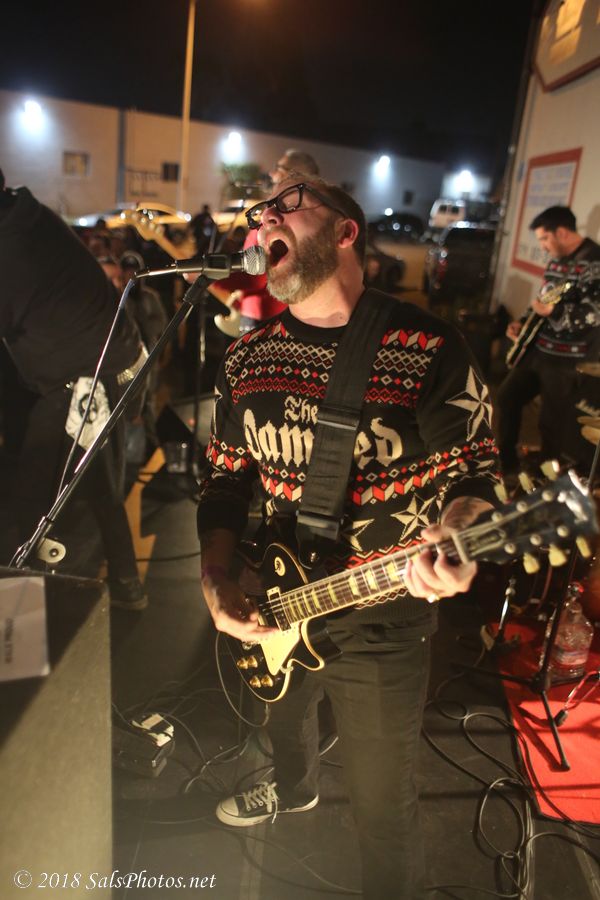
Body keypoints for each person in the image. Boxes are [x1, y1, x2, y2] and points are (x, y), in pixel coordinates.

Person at [196, 175, 501, 899]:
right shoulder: (247, 358)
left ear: (344, 231)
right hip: (277, 594)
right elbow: (225, 480)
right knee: (286, 716)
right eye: (259, 215)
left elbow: (476, 472)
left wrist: (458, 536)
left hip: (384, 610)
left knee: (383, 809)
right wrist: (216, 577)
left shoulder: (426, 346)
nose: (265, 220)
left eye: (287, 205)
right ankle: (293, 785)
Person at [0, 170, 148, 610]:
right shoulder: (27, 217)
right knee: (97, 485)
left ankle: (26, 614)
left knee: (34, 495)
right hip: (106, 364)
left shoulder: (11, 244)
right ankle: (126, 585)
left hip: (90, 377)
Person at [497, 206, 600, 477]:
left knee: (552, 422)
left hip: (568, 361)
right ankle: (506, 462)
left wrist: (554, 312)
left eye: (545, 239)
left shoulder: (595, 262)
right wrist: (524, 322)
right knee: (507, 397)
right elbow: (545, 298)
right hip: (539, 351)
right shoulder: (557, 261)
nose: (542, 246)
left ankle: (546, 476)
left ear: (562, 232)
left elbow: (595, 313)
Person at [213, 149, 320, 333]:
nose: (271, 173)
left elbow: (258, 275)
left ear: (294, 174)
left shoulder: (285, 217)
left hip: (264, 314)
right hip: (262, 311)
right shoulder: (284, 213)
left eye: (278, 168)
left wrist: (211, 277)